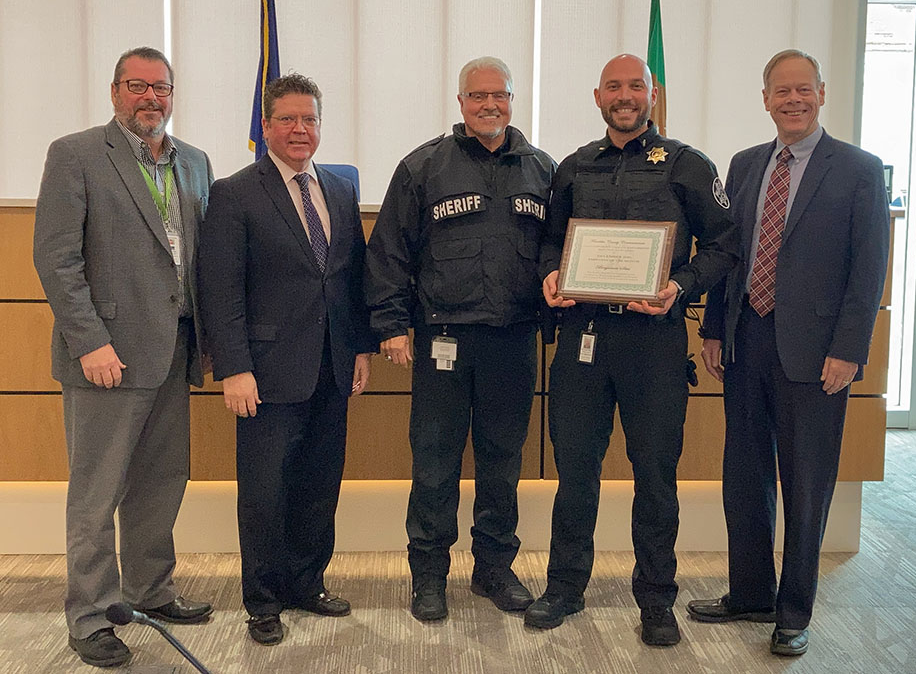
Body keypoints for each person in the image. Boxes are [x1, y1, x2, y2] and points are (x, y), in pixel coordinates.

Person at [525, 54, 739, 646]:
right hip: (583, 340)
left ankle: (656, 599)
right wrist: (549, 274)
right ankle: (565, 587)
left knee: (656, 477)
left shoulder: (689, 166)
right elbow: (549, 241)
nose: (625, 96)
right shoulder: (572, 168)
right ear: (598, 96)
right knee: (575, 473)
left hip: (655, 343)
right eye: (614, 87)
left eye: (636, 86)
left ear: (652, 94)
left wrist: (680, 286)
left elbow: (725, 248)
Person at [686, 49, 889, 657]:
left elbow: (869, 268)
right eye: (781, 91)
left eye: (803, 90)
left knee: (806, 483)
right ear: (766, 99)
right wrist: (715, 329)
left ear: (822, 93)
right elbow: (728, 253)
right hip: (746, 343)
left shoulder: (858, 168)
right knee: (744, 477)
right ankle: (750, 593)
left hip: (818, 354)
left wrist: (849, 350)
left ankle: (793, 610)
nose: (792, 101)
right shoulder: (746, 165)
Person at [33, 46, 214, 668]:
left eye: (161, 88)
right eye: (137, 86)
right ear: (115, 92)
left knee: (161, 484)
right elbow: (56, 259)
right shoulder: (76, 154)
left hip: (174, 351)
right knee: (97, 493)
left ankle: (150, 592)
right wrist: (90, 342)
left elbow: (197, 259)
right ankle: (89, 617)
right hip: (106, 358)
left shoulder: (194, 162)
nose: (150, 98)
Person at [365, 56, 556, 622]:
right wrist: (392, 326)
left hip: (513, 342)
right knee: (434, 463)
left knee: (502, 462)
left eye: (499, 95)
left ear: (513, 100)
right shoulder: (424, 166)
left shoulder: (542, 170)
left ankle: (494, 568)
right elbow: (389, 254)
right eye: (478, 96)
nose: (489, 105)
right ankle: (428, 575)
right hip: (441, 342)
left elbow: (558, 252)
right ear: (460, 102)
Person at [197, 73, 374, 646]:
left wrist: (360, 349)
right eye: (289, 119)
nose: (301, 129)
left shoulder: (341, 190)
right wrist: (234, 367)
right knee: (266, 490)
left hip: (331, 364)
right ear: (266, 126)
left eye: (310, 119)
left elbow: (350, 279)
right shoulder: (235, 191)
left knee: (320, 483)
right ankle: (263, 599)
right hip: (265, 371)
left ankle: (306, 582)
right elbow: (220, 288)